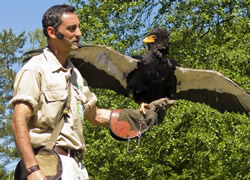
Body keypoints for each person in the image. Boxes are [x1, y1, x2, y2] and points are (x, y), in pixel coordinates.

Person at [11, 4, 174, 180]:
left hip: (77, 167)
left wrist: (138, 117)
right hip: (47, 166)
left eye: (78, 27)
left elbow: (94, 116)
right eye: (72, 29)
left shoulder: (76, 76)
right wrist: (32, 168)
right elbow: (18, 119)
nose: (79, 33)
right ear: (52, 32)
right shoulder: (35, 69)